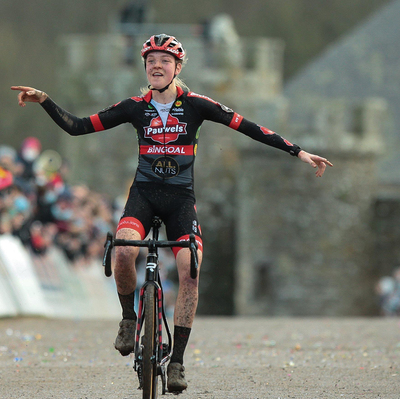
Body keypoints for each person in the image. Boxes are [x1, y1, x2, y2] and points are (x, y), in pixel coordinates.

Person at [11, 33, 333, 392]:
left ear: (177, 67)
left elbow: (251, 129)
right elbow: (78, 126)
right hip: (143, 196)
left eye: (165, 61)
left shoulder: (197, 104)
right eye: (151, 61)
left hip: (181, 200)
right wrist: (44, 100)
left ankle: (177, 361)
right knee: (123, 252)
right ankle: (128, 319)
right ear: (146, 68)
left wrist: (299, 152)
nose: (157, 66)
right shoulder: (134, 106)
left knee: (189, 270)